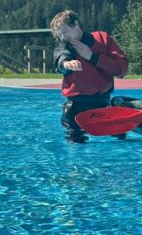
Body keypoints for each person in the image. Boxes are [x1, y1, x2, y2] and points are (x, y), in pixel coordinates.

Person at [51, 10, 129, 142]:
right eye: (59, 34)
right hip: (76, 105)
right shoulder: (66, 45)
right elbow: (60, 57)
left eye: (64, 31)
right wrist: (66, 64)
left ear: (76, 24)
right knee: (74, 143)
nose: (63, 37)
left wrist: (93, 57)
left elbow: (121, 68)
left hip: (103, 102)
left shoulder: (102, 39)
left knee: (120, 139)